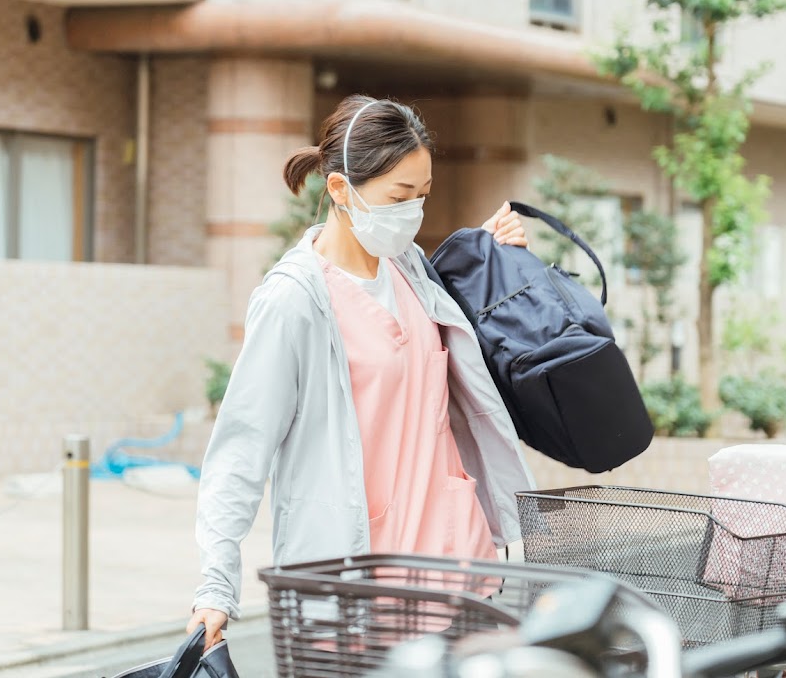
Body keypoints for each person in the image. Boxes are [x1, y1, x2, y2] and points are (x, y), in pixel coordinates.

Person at [187, 95, 536, 648]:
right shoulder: (294, 300)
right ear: (339, 190)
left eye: (422, 196)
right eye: (399, 196)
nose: (413, 213)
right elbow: (240, 450)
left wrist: (492, 255)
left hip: (455, 562)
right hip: (359, 584)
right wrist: (215, 587)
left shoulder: (411, 268)